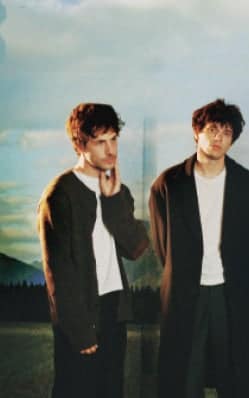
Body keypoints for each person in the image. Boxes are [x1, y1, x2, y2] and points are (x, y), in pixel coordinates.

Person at [149, 99, 249, 398]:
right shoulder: (168, 184)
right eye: (212, 129)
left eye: (226, 132)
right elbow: (163, 246)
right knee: (184, 375)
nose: (218, 137)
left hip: (232, 291)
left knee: (236, 373)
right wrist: (185, 271)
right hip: (186, 291)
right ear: (196, 132)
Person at [38, 103, 149, 398]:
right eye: (100, 142)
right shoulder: (60, 193)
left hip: (114, 307)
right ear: (79, 144)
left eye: (114, 139)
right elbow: (57, 269)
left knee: (111, 389)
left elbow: (137, 247)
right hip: (81, 312)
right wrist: (77, 327)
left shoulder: (118, 189)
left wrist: (113, 202)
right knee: (75, 389)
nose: (110, 150)